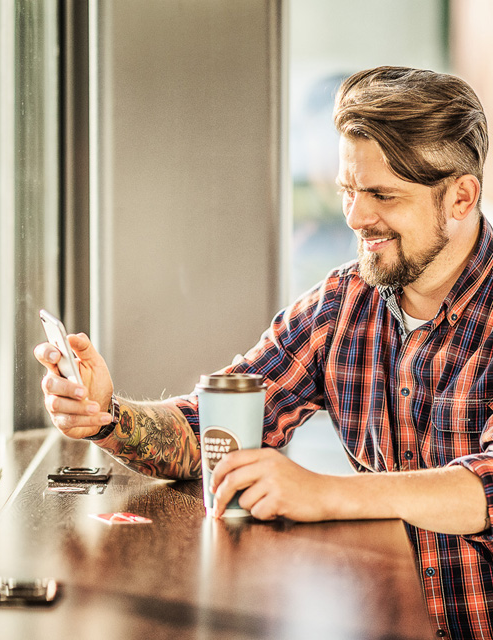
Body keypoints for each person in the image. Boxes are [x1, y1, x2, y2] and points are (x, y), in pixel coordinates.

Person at [35, 66, 493, 638]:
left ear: (461, 197)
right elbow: (214, 432)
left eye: (382, 195)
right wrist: (107, 416)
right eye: (349, 191)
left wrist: (323, 493)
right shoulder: (341, 304)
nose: (355, 218)